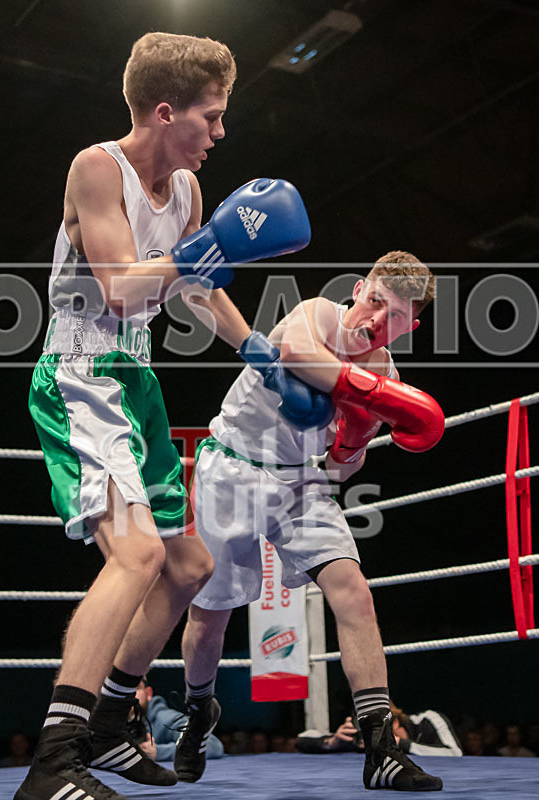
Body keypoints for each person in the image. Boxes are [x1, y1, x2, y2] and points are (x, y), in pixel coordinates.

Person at [16, 31, 312, 800]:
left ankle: (112, 728)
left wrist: (258, 351)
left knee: (188, 566)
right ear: (162, 110)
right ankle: (54, 760)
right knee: (138, 556)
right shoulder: (96, 167)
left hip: (135, 378)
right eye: (208, 118)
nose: (219, 133)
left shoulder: (183, 191)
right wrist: (211, 245)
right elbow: (117, 285)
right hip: (80, 371)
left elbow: (192, 283)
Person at [180, 252, 446, 791]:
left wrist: (356, 431)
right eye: (374, 301)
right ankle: (196, 712)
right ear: (357, 287)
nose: (376, 320)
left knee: (354, 591)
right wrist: (372, 398)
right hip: (230, 468)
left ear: (409, 326)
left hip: (300, 481)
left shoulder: (385, 372)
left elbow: (345, 466)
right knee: (210, 616)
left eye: (393, 316)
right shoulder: (318, 314)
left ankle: (380, 748)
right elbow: (298, 353)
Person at [297, 702, 462, 757]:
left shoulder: (428, 720)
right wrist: (331, 742)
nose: (373, 733)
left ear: (395, 722)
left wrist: (399, 743)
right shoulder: (363, 737)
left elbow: (455, 753)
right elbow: (302, 739)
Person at [125, 677, 223, 763]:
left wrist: (159, 752)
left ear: (148, 693)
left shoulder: (165, 719)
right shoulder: (111, 720)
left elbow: (213, 746)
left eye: (135, 688)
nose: (128, 694)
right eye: (122, 689)